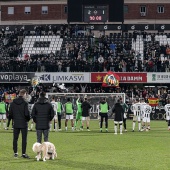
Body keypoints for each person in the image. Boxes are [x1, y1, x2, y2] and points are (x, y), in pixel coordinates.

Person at [9, 89, 30, 158]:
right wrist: (27, 119)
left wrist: (13, 119)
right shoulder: (25, 103)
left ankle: (15, 153)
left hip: (16, 123)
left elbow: (10, 114)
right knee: (24, 139)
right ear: (24, 94)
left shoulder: (13, 103)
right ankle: (23, 154)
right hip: (23, 123)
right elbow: (27, 114)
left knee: (15, 139)